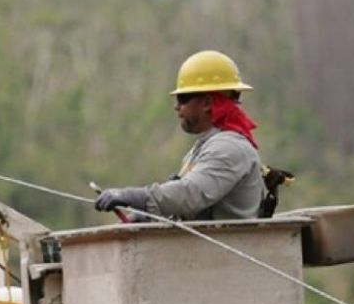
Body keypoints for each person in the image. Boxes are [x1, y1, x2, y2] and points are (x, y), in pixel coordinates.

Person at [95, 50, 264, 220]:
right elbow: (188, 208)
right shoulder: (206, 146)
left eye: (183, 98)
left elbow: (190, 194)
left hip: (223, 246)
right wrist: (147, 218)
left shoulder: (229, 148)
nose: (176, 107)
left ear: (207, 103)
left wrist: (132, 196)